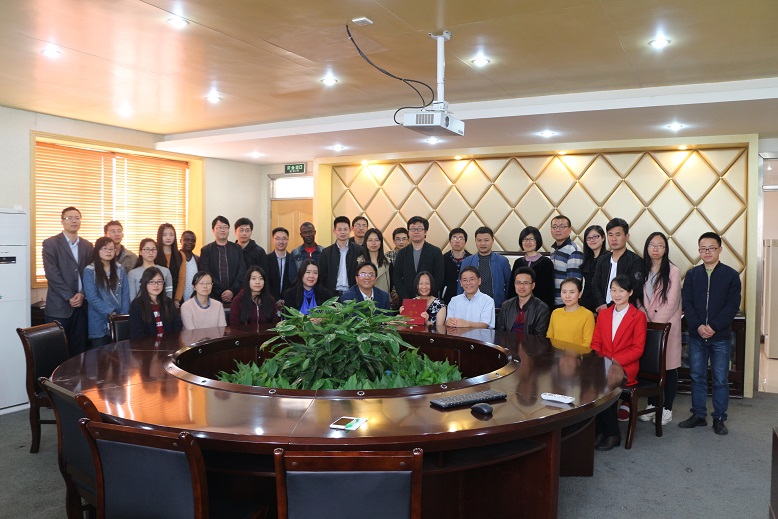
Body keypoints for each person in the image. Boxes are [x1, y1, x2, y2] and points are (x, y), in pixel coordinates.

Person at [679, 232, 741, 436]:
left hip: (720, 336)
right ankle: (698, 415)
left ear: (720, 249)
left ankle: (719, 418)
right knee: (697, 376)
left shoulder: (731, 275)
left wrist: (713, 326)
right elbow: (687, 303)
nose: (707, 252)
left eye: (711, 248)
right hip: (696, 336)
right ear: (699, 250)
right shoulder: (692, 275)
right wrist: (698, 326)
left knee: (721, 379)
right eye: (703, 249)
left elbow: (732, 305)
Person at [590, 275, 647, 451]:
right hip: (603, 365)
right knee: (589, 382)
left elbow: (637, 349)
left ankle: (613, 434)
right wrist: (601, 361)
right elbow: (595, 343)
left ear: (630, 292)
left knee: (605, 386)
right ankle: (600, 430)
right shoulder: (604, 314)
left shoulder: (638, 316)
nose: (616, 294)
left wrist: (612, 362)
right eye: (613, 290)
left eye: (621, 290)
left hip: (625, 367)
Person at [639, 232, 682, 426]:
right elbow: (637, 298)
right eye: (652, 245)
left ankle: (667, 408)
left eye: (660, 245)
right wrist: (645, 320)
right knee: (651, 368)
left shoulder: (673, 271)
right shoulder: (641, 269)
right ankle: (651, 404)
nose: (656, 249)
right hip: (646, 326)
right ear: (647, 247)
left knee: (669, 367)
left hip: (666, 327)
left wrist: (655, 324)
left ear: (666, 249)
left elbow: (671, 302)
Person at [42, 207, 94, 355]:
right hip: (59, 307)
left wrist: (82, 294)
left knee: (80, 351)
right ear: (62, 221)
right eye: (69, 218)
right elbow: (52, 274)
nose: (74, 221)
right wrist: (70, 296)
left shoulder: (87, 245)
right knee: (57, 351)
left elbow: (90, 273)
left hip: (82, 306)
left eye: (77, 218)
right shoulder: (50, 243)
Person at [83, 236, 130, 348]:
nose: (108, 251)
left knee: (120, 353)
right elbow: (92, 298)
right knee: (100, 355)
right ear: (97, 250)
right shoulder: (90, 270)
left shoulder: (120, 269)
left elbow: (125, 293)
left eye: (111, 249)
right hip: (99, 320)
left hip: (119, 319)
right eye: (105, 248)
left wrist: (122, 316)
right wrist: (111, 313)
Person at [592, 218, 644, 311]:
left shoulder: (636, 261)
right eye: (610, 235)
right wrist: (602, 305)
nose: (614, 239)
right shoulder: (602, 259)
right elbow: (595, 284)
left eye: (618, 235)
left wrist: (609, 306)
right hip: (602, 310)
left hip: (625, 311)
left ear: (627, 237)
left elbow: (635, 289)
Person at [394, 216, 444, 301]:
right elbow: (397, 277)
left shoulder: (435, 252)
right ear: (408, 232)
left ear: (425, 231)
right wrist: (406, 298)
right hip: (407, 299)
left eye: (419, 229)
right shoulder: (402, 253)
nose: (416, 232)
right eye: (413, 229)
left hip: (429, 300)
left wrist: (427, 296)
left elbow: (439, 277)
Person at [458, 226, 511, 307]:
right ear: (475, 241)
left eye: (486, 240)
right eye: (479, 240)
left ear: (492, 241)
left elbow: (509, 285)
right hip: (471, 306)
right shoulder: (467, 261)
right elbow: (460, 286)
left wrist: (506, 305)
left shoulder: (502, 261)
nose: (483, 243)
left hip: (496, 306)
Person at [199, 216, 246, 304]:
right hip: (213, 296)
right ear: (213, 230)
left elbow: (242, 272)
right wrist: (223, 292)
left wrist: (232, 291)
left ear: (229, 229)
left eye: (225, 227)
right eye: (219, 227)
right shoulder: (206, 250)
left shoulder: (237, 249)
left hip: (235, 296)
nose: (222, 230)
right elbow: (206, 274)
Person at [128, 267, 183, 340]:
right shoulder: (136, 305)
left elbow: (177, 326)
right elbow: (136, 333)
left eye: (159, 281)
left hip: (169, 344)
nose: (156, 285)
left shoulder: (169, 302)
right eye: (151, 282)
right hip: (146, 345)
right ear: (145, 283)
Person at [508, 226, 555, 309]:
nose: (528, 242)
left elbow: (549, 290)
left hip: (540, 308)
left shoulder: (546, 262)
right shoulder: (518, 262)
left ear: (537, 240)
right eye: (525, 239)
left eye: (531, 239)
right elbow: (512, 288)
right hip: (519, 307)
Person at [497, 267, 550, 336]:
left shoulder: (542, 309)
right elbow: (500, 332)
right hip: (507, 342)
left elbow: (539, 337)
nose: (521, 286)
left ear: (533, 285)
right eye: (518, 283)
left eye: (526, 283)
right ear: (514, 284)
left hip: (531, 343)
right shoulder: (506, 305)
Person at [319, 216, 364, 295]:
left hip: (353, 293)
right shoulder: (326, 252)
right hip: (332, 295)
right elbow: (322, 276)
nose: (342, 232)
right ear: (334, 231)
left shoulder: (359, 250)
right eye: (339, 229)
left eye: (345, 229)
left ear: (350, 230)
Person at [546, 277, 595, 348]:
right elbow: (549, 337)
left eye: (572, 292)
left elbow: (588, 343)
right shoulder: (556, 313)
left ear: (580, 294)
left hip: (578, 354)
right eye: (564, 292)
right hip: (556, 353)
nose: (567, 296)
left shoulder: (587, 315)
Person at [549, 215, 583, 307]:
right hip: (553, 300)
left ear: (569, 230)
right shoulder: (553, 249)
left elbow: (574, 281)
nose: (558, 230)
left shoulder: (574, 250)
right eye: (554, 227)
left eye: (562, 227)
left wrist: (567, 301)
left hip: (565, 302)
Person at [154, 223, 186, 307]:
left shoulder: (180, 255)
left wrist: (177, 300)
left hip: (176, 297)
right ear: (159, 236)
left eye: (171, 235)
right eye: (164, 235)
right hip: (157, 296)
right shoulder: (154, 254)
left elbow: (182, 279)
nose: (168, 238)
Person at [357, 228, 392, 295]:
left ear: (381, 242)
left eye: (376, 240)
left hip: (383, 298)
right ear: (365, 242)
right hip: (364, 299)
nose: (373, 243)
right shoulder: (359, 262)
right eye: (370, 240)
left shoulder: (388, 262)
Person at [580, 224, 606, 312]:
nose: (592, 240)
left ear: (603, 238)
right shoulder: (587, 259)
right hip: (585, 303)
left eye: (595, 237)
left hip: (602, 305)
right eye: (589, 238)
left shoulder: (609, 258)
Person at [265, 227, 296, 301]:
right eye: (277, 238)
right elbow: (266, 282)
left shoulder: (293, 259)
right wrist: (276, 300)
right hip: (270, 300)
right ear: (273, 240)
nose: (281, 242)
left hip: (289, 301)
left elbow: (294, 282)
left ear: (288, 240)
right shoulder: (266, 259)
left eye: (284, 239)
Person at [442, 228, 470, 304]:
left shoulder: (471, 259)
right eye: (454, 238)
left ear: (465, 242)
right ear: (450, 241)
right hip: (447, 299)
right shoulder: (442, 259)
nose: (457, 241)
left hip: (468, 298)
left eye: (461, 238)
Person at [180, 230, 199, 302]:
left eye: (193, 241)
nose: (190, 242)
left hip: (194, 300)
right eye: (187, 240)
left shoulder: (198, 260)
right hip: (178, 300)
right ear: (181, 241)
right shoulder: (175, 259)